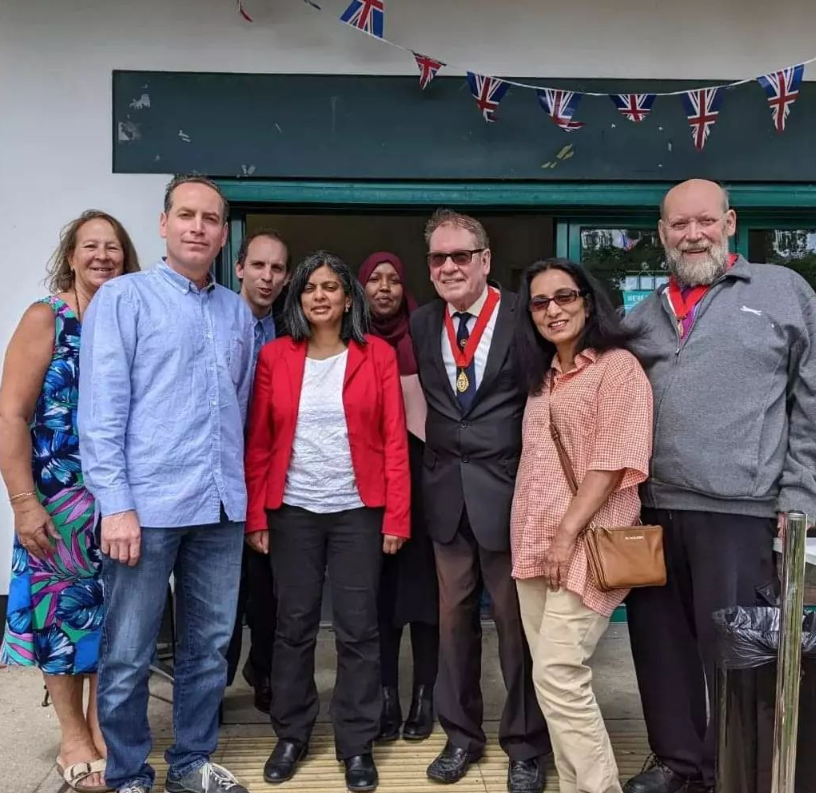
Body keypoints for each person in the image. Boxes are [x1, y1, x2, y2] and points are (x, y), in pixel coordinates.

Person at [623, 178, 816, 793]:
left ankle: (735, 768)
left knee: (736, 653)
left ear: (730, 222)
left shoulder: (783, 293)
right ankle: (679, 763)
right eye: (679, 225)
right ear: (662, 234)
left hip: (742, 509)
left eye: (705, 221)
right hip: (652, 508)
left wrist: (800, 493)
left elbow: (811, 401)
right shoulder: (641, 314)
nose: (693, 234)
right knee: (661, 647)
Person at [78, 174, 255, 793]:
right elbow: (101, 411)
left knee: (208, 648)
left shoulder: (238, 312)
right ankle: (128, 772)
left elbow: (237, 407)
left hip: (220, 504)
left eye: (211, 218)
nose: (199, 227)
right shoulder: (123, 299)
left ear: (221, 233)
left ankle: (189, 763)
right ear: (163, 224)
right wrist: (116, 505)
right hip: (146, 508)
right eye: (187, 214)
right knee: (127, 654)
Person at [245, 252, 410, 792]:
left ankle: (356, 743)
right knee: (292, 627)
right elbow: (261, 442)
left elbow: (393, 441)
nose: (320, 296)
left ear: (347, 299)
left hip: (358, 513)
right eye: (311, 287)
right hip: (291, 511)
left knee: (358, 629)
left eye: (331, 287)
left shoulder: (376, 355)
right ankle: (291, 733)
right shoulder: (275, 357)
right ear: (299, 297)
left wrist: (396, 518)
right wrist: (256, 516)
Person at [410, 209, 551, 793]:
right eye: (438, 258)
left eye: (460, 256)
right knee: (453, 626)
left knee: (518, 629)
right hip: (446, 496)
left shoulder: (525, 315)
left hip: (510, 494)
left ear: (485, 260)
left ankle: (523, 746)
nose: (448, 267)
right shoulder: (421, 323)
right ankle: (461, 736)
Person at [0, 211, 139, 793]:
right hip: (58, 502)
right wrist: (23, 502)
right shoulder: (47, 318)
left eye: (113, 247)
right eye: (91, 246)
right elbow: (12, 415)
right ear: (72, 255)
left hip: (122, 498)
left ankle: (103, 725)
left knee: (116, 620)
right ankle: (73, 736)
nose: (103, 256)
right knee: (62, 619)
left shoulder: (132, 316)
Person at [511, 259, 653, 793]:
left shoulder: (617, 368)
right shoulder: (542, 377)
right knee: (551, 683)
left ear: (588, 302)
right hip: (534, 544)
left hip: (586, 543)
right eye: (541, 302)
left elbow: (614, 460)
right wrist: (543, 537)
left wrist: (565, 534)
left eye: (565, 297)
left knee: (559, 675)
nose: (554, 310)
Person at [358, 251, 439, 743]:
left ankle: (424, 696)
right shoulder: (348, 342)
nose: (384, 287)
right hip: (371, 489)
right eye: (374, 279)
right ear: (361, 289)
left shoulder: (426, 337)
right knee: (377, 599)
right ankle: (384, 694)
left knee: (425, 597)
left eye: (393, 278)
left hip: (427, 485)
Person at [225, 228, 290, 715]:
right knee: (219, 596)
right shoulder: (219, 320)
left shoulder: (292, 329)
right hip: (221, 476)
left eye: (277, 269)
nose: (267, 277)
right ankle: (213, 688)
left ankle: (264, 670)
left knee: (270, 594)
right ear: (240, 267)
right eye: (259, 266)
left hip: (272, 479)